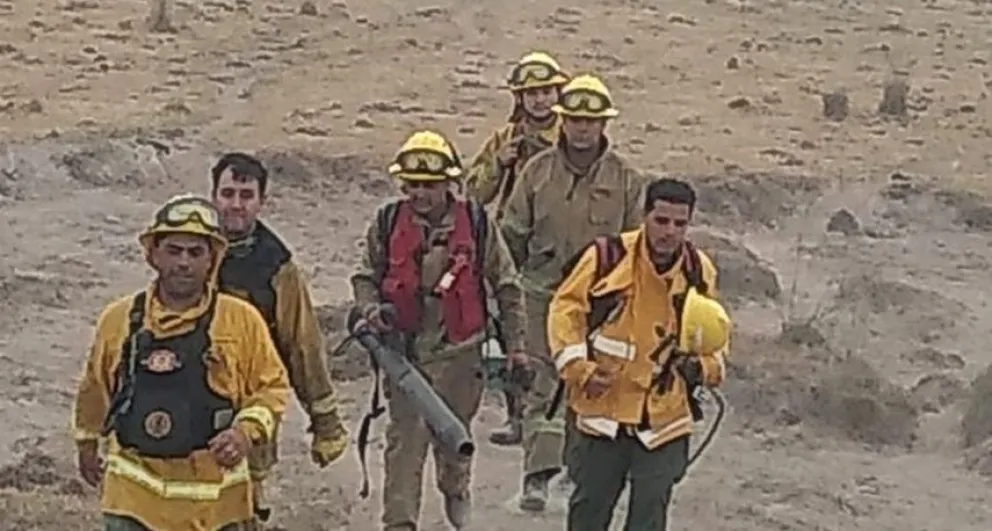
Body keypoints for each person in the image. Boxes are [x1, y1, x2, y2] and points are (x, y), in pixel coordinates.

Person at [71, 194, 291, 531]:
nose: (184, 262)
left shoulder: (241, 322)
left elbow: (271, 388)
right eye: (173, 251)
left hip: (217, 503)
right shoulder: (119, 321)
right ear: (153, 255)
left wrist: (244, 433)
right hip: (133, 498)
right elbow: (95, 387)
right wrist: (86, 442)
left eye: (195, 252)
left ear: (212, 260)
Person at [349, 130, 527, 530]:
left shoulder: (477, 225)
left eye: (429, 185)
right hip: (404, 355)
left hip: (462, 355)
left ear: (448, 183)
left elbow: (508, 286)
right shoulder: (387, 221)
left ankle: (456, 492)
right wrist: (371, 309)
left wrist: (516, 348)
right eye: (412, 185)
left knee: (454, 441)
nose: (419, 193)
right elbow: (364, 275)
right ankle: (400, 522)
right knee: (404, 446)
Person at [547, 178, 732, 530]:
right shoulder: (606, 258)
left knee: (650, 514)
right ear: (644, 216)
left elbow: (717, 332)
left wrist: (705, 369)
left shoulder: (698, 270)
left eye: (680, 223)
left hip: (665, 420)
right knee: (588, 511)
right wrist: (578, 367)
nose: (670, 232)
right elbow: (565, 310)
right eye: (661, 221)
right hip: (603, 413)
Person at [499, 73, 647, 511]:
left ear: (604, 124)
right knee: (540, 386)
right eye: (575, 119)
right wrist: (504, 292)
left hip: (600, 302)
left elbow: (637, 245)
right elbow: (510, 235)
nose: (582, 127)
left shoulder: (627, 181)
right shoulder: (535, 172)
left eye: (591, 120)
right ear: (562, 120)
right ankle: (537, 478)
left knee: (586, 388)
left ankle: (574, 476)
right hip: (540, 292)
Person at [209, 153, 349, 525]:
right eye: (227, 193)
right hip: (190, 401)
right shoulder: (191, 249)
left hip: (250, 405)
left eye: (245, 195)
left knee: (240, 508)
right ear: (213, 196)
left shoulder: (277, 267)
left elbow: (302, 345)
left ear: (261, 201)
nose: (235, 204)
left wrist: (326, 424)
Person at [462, 50, 569, 447]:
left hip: (557, 247)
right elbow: (472, 193)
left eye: (546, 90)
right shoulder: (505, 139)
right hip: (511, 245)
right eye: (531, 92)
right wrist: (499, 165)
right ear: (518, 98)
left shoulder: (571, 136)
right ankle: (517, 416)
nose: (540, 99)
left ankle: (553, 418)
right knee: (511, 331)